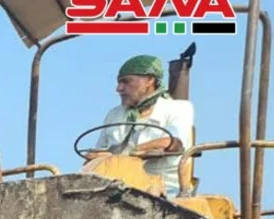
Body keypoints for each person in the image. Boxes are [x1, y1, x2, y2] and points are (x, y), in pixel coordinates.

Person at [83, 54, 194, 198]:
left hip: (164, 190)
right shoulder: (114, 115)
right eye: (118, 83)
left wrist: (125, 155)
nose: (119, 89)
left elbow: (172, 143)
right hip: (113, 188)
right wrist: (94, 156)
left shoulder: (178, 108)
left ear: (150, 80)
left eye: (126, 82)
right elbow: (99, 152)